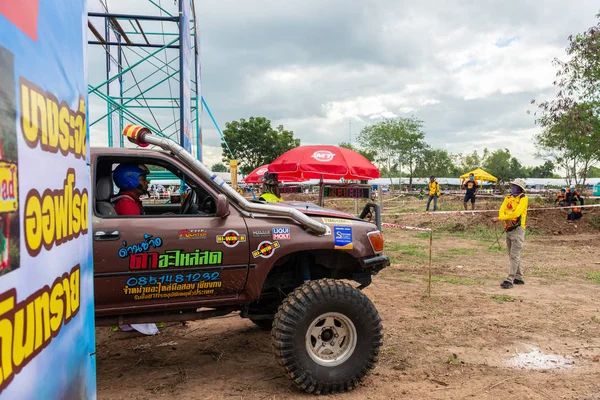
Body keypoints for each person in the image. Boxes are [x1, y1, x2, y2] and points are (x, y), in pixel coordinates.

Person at [492, 178, 528, 289]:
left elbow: (517, 213)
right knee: (513, 255)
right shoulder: (508, 198)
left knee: (514, 255)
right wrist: (504, 218)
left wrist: (500, 218)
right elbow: (502, 209)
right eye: (512, 186)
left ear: (520, 189)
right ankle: (519, 277)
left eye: (515, 186)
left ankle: (510, 279)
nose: (513, 188)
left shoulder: (523, 199)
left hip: (518, 229)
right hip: (508, 228)